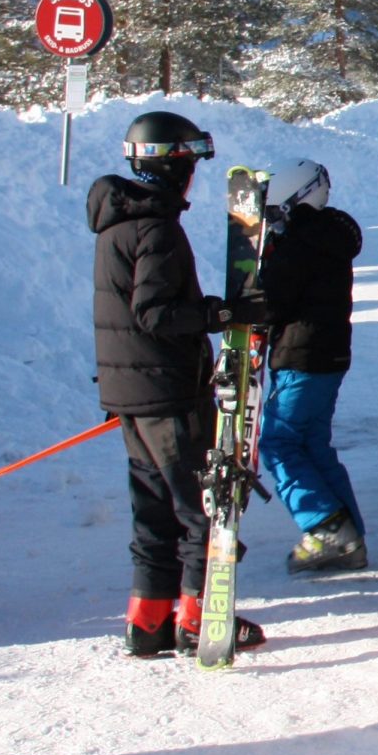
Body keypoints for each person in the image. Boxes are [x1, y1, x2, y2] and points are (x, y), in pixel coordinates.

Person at [90, 110, 264, 656]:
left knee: (153, 512)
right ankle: (197, 620)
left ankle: (147, 622)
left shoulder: (117, 221)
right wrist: (218, 315)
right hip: (166, 393)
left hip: (131, 395)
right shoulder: (156, 228)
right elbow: (156, 313)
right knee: (201, 509)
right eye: (190, 163)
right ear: (176, 166)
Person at [252, 160, 368, 573]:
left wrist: (246, 302)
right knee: (313, 443)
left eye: (276, 214)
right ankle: (345, 532)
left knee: (279, 443)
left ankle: (325, 526)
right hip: (328, 356)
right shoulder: (327, 237)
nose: (274, 224)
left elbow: (273, 300)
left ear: (296, 202)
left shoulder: (298, 244)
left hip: (301, 358)